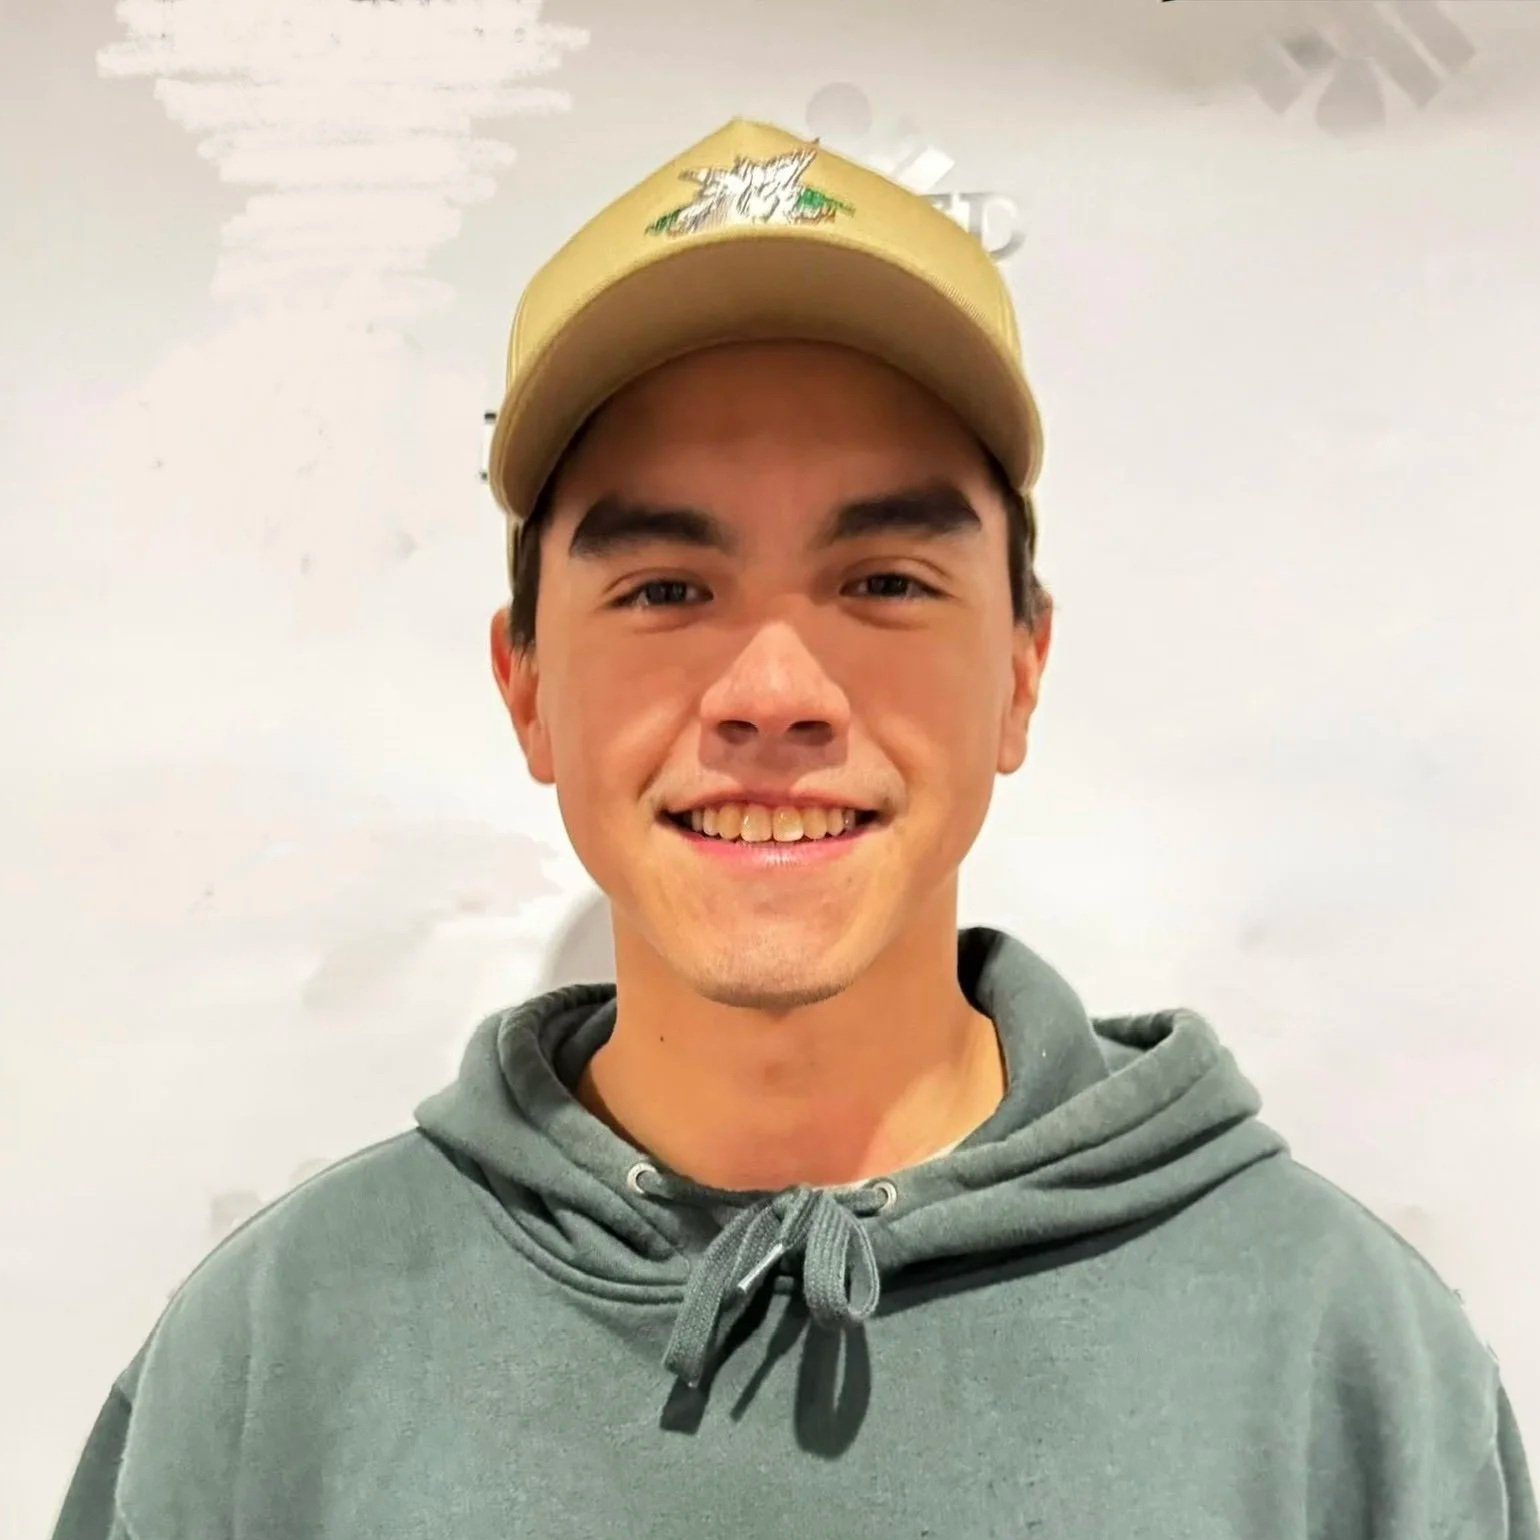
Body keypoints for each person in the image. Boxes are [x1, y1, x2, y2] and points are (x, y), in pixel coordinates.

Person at [51, 116, 1535, 1539]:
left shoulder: (1340, 1360)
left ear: (1020, 670)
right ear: (527, 689)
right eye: (665, 589)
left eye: (884, 580)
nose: (774, 693)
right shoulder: (273, 1358)